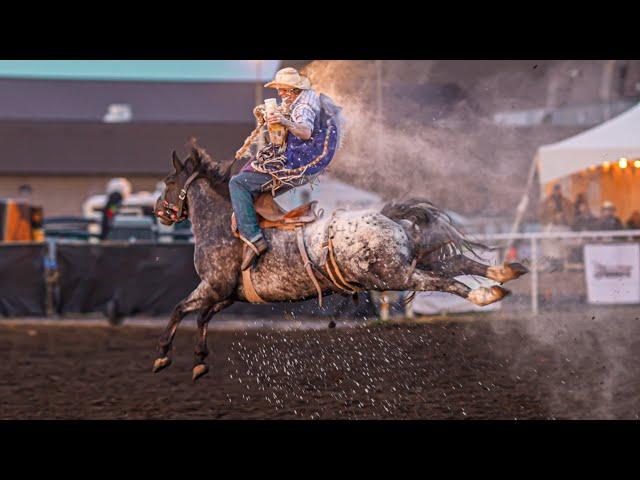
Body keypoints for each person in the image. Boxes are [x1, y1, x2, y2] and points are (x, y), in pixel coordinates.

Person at [229, 67, 343, 270]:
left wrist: (283, 121)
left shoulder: (303, 107)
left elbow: (306, 132)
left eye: (282, 90)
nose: (280, 94)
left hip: (298, 162)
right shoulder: (301, 100)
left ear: (293, 90)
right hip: (302, 160)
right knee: (251, 175)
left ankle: (254, 239)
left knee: (238, 183)